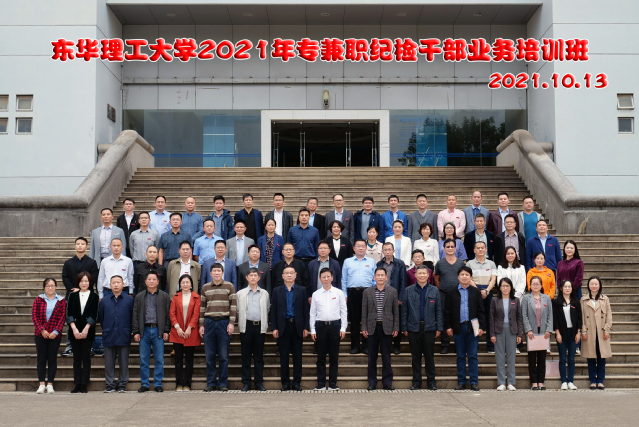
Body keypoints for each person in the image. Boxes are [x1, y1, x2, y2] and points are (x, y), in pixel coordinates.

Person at [444, 266, 485, 391]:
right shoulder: (451, 292)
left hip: (474, 326)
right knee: (460, 355)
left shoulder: (476, 292)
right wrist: (448, 326)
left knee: (473, 355)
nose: (464, 277)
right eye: (462, 274)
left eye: (467, 275)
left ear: (471, 277)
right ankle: (461, 381)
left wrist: (482, 327)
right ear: (458, 277)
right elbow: (447, 311)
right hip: (458, 326)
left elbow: (481, 311)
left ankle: (474, 382)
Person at [401, 265, 442, 390]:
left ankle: (431, 382)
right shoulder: (408, 290)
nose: (422, 275)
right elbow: (404, 310)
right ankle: (416, 382)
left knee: (429, 357)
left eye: (424, 273)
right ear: (415, 275)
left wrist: (439, 327)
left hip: (429, 328)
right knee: (415, 357)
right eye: (420, 273)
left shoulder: (434, 290)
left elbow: (438, 310)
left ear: (428, 275)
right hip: (413, 328)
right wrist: (404, 327)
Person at [271, 265, 309, 391]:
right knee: (284, 357)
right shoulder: (276, 291)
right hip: (283, 326)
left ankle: (297, 382)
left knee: (297, 357)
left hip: (297, 326)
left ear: (295, 275)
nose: (289, 275)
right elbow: (274, 310)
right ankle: (285, 383)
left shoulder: (302, 290)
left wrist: (306, 327)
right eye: (286, 273)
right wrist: (274, 327)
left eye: (291, 273)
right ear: (282, 276)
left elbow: (305, 310)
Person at [199, 263, 236, 392]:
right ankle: (211, 383)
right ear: (210, 273)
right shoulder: (205, 287)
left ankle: (222, 383)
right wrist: (201, 325)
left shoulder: (229, 286)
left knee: (223, 356)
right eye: (214, 271)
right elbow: (202, 307)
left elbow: (233, 306)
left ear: (222, 272)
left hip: (223, 322)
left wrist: (231, 323)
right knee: (209, 355)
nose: (216, 273)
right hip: (209, 323)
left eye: (219, 271)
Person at [132, 271, 170, 393]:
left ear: (158, 282)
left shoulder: (164, 296)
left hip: (158, 330)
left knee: (159, 359)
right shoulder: (139, 296)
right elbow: (135, 315)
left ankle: (158, 383)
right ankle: (145, 384)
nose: (152, 281)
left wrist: (166, 330)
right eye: (149, 279)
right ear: (145, 281)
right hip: (144, 330)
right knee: (144, 359)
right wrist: (136, 331)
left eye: (154, 279)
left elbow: (167, 315)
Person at [310, 268, 348, 390]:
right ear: (320, 279)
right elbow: (312, 313)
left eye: (328, 276)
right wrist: (312, 330)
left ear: (332, 278)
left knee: (334, 357)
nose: (326, 279)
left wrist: (343, 328)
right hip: (320, 326)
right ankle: (321, 383)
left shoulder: (339, 293)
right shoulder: (316, 294)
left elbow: (344, 311)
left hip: (335, 326)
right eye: (323, 277)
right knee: (320, 357)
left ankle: (332, 383)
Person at [60, 237, 98, 356]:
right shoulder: (68, 262)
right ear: (75, 246)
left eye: (82, 244)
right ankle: (70, 346)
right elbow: (65, 277)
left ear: (86, 247)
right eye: (78, 244)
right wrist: (73, 289)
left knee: (88, 319)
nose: (80, 245)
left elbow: (94, 277)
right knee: (71, 319)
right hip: (72, 295)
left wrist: (83, 288)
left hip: (88, 295)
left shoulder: (92, 262)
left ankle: (89, 346)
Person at [363, 267, 399, 390]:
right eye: (377, 275)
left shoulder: (392, 291)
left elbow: (396, 311)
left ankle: (387, 382)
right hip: (372, 328)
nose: (380, 277)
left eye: (382, 275)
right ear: (374, 277)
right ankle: (372, 382)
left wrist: (396, 327)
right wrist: (364, 327)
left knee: (386, 357)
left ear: (386, 277)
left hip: (387, 328)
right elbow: (364, 311)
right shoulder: (367, 292)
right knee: (371, 357)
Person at [98, 275, 134, 393]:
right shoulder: (104, 301)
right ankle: (110, 384)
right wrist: (107, 328)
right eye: (114, 283)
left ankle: (122, 383)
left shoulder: (129, 300)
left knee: (124, 361)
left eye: (118, 282)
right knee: (109, 362)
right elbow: (101, 317)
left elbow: (132, 317)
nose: (116, 284)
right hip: (109, 333)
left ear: (123, 284)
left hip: (124, 333)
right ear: (110, 285)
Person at [236, 268, 270, 391]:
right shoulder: (240, 294)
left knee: (258, 356)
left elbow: (267, 309)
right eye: (251, 275)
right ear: (247, 277)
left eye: (255, 275)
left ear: (259, 278)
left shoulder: (265, 293)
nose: (253, 277)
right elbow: (238, 310)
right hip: (246, 326)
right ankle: (246, 382)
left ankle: (259, 382)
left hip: (259, 326)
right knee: (246, 355)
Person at [341, 239, 376, 354]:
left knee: (368, 320)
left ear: (366, 248)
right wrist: (345, 294)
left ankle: (366, 346)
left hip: (368, 292)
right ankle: (355, 346)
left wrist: (374, 293)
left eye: (363, 246)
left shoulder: (371, 261)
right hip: (352, 293)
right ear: (354, 248)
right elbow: (344, 279)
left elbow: (374, 279)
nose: (360, 248)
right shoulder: (347, 261)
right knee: (354, 321)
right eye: (358, 246)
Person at [32, 278, 66, 394]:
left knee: (52, 359)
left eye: (52, 285)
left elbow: (62, 317)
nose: (50, 287)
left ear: (56, 287)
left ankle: (50, 384)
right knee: (41, 359)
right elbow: (34, 316)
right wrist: (42, 330)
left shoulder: (61, 301)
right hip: (40, 334)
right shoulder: (38, 299)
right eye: (48, 285)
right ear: (44, 287)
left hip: (55, 335)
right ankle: (42, 384)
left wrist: (56, 332)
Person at [66, 272, 99, 393]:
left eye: (86, 281)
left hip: (88, 332)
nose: (84, 283)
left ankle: (84, 384)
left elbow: (94, 314)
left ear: (90, 282)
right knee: (76, 358)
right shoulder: (72, 295)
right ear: (78, 282)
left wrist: (86, 328)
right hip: (74, 331)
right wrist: (74, 328)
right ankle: (77, 384)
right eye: (81, 281)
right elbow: (69, 313)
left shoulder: (94, 296)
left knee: (86, 358)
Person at [490, 278, 523, 391]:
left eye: (507, 286)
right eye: (503, 286)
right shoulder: (495, 300)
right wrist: (492, 334)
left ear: (511, 287)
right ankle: (501, 383)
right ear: (499, 287)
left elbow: (519, 318)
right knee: (499, 357)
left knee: (511, 356)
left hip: (512, 330)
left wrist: (519, 334)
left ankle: (510, 382)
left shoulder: (516, 300)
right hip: (498, 330)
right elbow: (491, 318)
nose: (505, 288)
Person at [169, 274, 201, 392]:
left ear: (191, 284)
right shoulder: (176, 297)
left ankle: (187, 384)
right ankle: (179, 384)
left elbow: (196, 314)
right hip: (177, 331)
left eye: (187, 282)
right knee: (178, 359)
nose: (185, 284)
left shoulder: (196, 297)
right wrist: (177, 327)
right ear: (180, 284)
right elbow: (172, 313)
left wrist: (189, 328)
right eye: (183, 282)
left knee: (189, 359)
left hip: (190, 332)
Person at [433, 239, 466, 354]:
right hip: (443, 294)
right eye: (448, 247)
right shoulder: (440, 263)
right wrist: (441, 288)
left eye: (452, 246)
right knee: (443, 318)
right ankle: (445, 344)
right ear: (444, 249)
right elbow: (436, 277)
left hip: (458, 294)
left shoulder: (461, 263)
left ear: (455, 248)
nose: (450, 248)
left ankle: (458, 345)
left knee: (458, 318)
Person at [581, 276, 612, 390]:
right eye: (591, 284)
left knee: (601, 357)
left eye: (596, 284)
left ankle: (600, 380)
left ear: (599, 286)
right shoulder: (584, 300)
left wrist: (607, 329)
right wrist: (583, 330)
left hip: (602, 332)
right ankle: (592, 380)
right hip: (589, 332)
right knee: (591, 357)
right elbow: (581, 317)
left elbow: (609, 315)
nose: (594, 286)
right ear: (588, 285)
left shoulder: (605, 299)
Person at [522, 275, 553, 390]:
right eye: (533, 284)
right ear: (530, 285)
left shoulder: (546, 298)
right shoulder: (526, 298)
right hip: (532, 332)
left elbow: (550, 315)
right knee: (531, 358)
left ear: (541, 285)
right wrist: (528, 330)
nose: (535, 286)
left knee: (541, 358)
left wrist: (549, 329)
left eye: (537, 284)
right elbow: (524, 315)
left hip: (544, 332)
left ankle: (541, 381)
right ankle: (534, 382)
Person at [466, 241, 498, 353]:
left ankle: (490, 345)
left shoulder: (491, 263)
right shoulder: (469, 264)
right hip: (474, 290)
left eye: (482, 248)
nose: (480, 250)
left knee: (489, 317)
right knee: (475, 317)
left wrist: (487, 290)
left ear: (486, 249)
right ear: (474, 250)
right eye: (478, 248)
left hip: (488, 290)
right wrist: (478, 291)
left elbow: (493, 279)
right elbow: (469, 278)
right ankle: (475, 345)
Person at [378, 242, 407, 354]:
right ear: (382, 251)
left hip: (395, 296)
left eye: (389, 249)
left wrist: (401, 298)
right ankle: (387, 346)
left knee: (396, 321)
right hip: (382, 296)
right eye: (385, 250)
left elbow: (403, 281)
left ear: (393, 251)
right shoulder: (379, 264)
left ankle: (397, 346)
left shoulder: (400, 263)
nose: (388, 252)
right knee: (385, 321)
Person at [553, 280, 582, 390]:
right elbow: (555, 319)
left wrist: (579, 332)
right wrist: (557, 333)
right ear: (561, 288)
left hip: (573, 333)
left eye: (569, 286)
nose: (567, 288)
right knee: (562, 358)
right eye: (565, 286)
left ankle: (570, 381)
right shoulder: (556, 302)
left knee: (571, 359)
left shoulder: (576, 302)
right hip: (561, 333)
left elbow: (579, 319)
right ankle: (564, 381)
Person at [497, 246, 527, 353]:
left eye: (512, 253)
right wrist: (507, 294)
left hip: (518, 298)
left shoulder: (521, 267)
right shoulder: (500, 267)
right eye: (508, 253)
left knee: (516, 321)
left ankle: (516, 346)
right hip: (504, 297)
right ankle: (505, 346)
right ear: (505, 255)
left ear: (516, 254)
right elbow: (500, 281)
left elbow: (523, 282)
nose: (510, 255)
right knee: (506, 321)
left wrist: (516, 296)